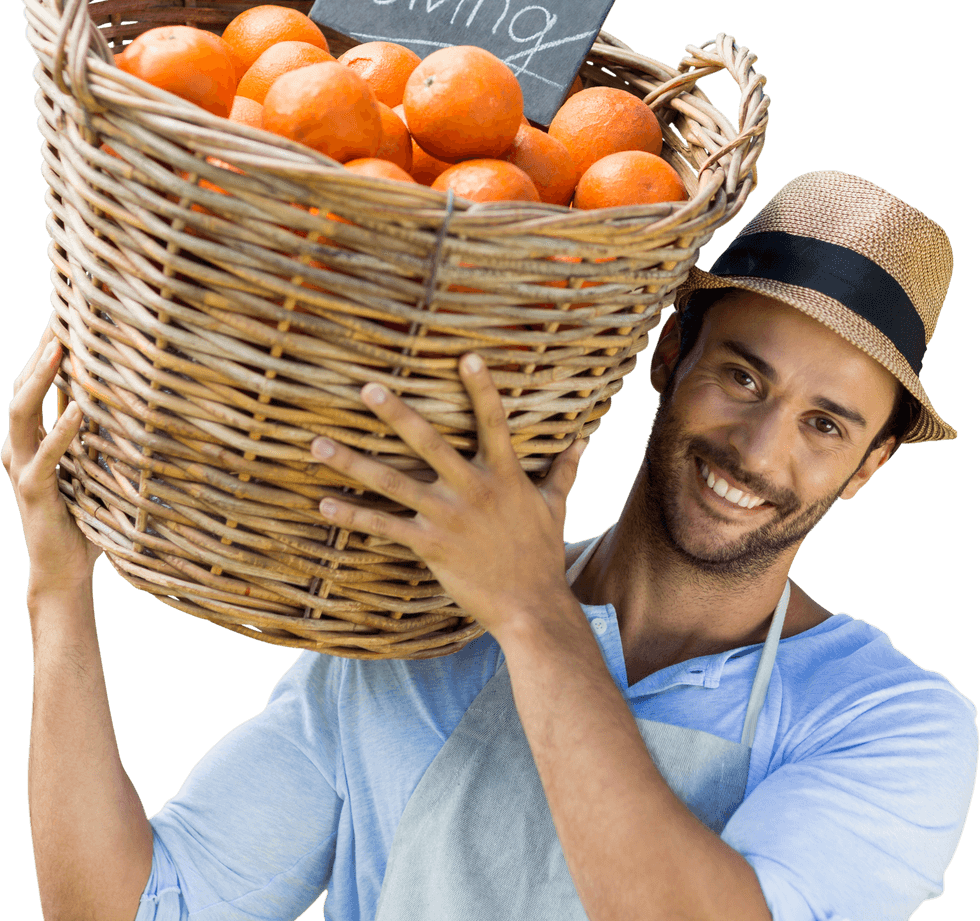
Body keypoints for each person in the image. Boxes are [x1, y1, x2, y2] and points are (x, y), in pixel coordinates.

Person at [6, 169, 976, 921]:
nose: (758, 451)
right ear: (669, 354)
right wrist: (57, 591)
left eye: (825, 425)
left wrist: (528, 612)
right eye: (742, 378)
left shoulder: (889, 723)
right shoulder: (417, 623)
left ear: (867, 467)